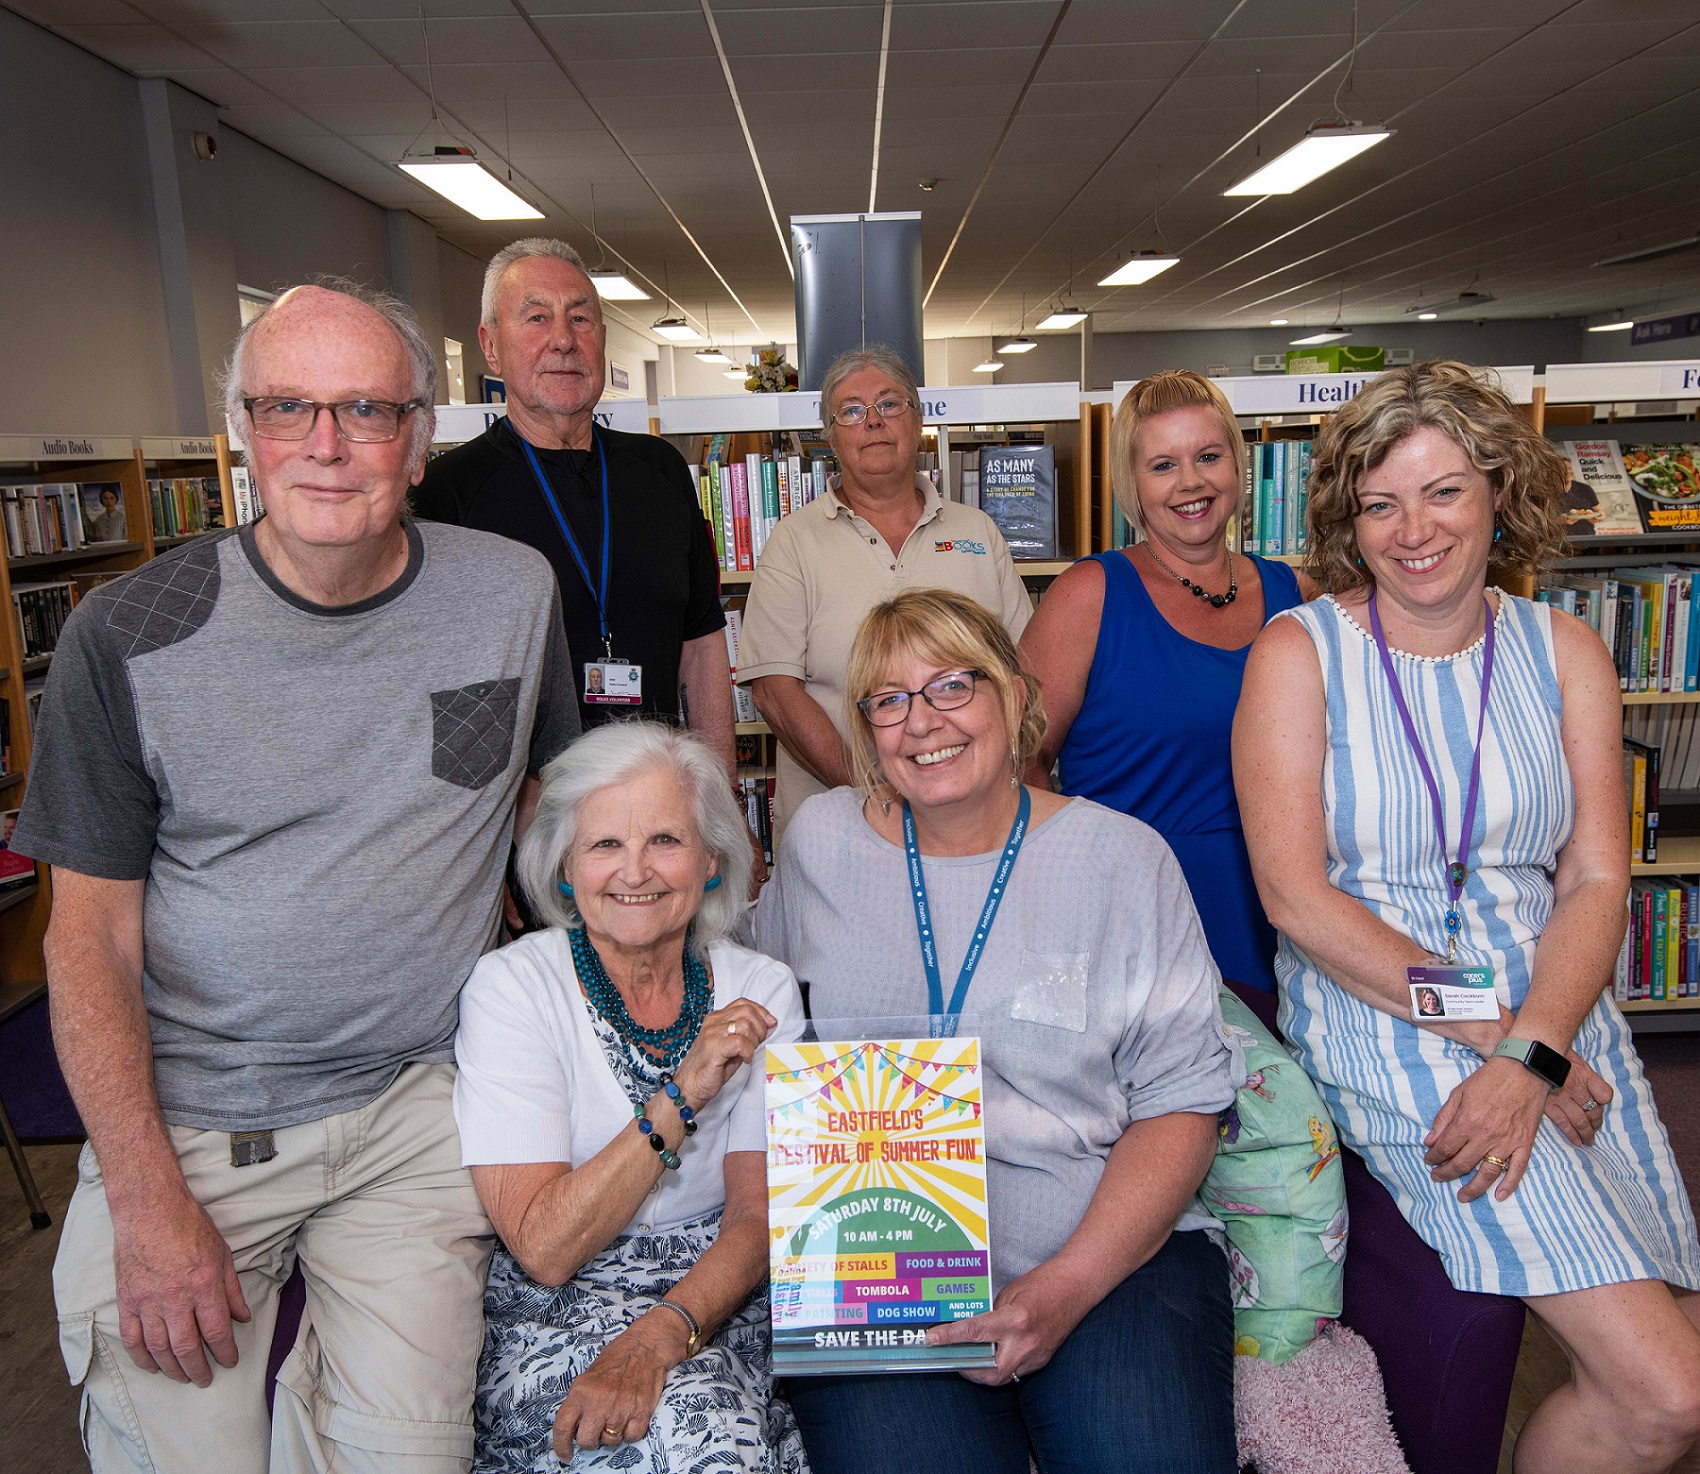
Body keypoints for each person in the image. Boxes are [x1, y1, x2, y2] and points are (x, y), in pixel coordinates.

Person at [15, 280, 579, 1473]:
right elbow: (88, 943)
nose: (327, 446)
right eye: (289, 408)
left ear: (420, 441)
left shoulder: (511, 593)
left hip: (418, 1109)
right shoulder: (125, 634)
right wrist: (146, 1198)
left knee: (407, 1461)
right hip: (199, 1125)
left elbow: (553, 823)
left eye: (367, 410)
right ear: (243, 436)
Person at [1234, 360, 1700, 1474]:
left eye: (1442, 491)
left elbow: (1592, 879)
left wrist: (1537, 1038)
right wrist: (1502, 1043)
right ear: (1348, 517)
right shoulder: (1299, 655)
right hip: (1386, 1016)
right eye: (1379, 501)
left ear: (1498, 488)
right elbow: (1298, 897)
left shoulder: (1563, 649)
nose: (1411, 529)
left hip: (1558, 1004)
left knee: (1658, 1364)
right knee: (1670, 1396)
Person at [751, 587, 1242, 1474]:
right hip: (879, 1258)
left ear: (1017, 696)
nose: (921, 721)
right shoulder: (819, 842)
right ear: (866, 731)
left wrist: (1065, 1288)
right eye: (888, 700)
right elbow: (756, 1002)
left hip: (1104, 1248)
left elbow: (1182, 1105)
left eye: (951, 685)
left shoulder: (1124, 857)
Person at [453, 721, 806, 1473]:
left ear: (712, 860)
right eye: (605, 844)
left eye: (665, 841)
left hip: (716, 1298)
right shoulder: (514, 988)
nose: (635, 871)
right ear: (563, 869)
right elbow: (546, 1247)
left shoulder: (760, 988)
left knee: (713, 1442)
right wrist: (683, 1092)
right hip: (558, 1308)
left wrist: (664, 1331)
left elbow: (759, 1216)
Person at [1021, 369, 1314, 993]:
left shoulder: (1299, 595)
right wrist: (1068, 892)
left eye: (1208, 456)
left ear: (1238, 465)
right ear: (1131, 484)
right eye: (1162, 465)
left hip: (1290, 912)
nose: (1191, 482)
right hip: (1133, 914)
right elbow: (1020, 756)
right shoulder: (1090, 595)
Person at [413, 238, 738, 772]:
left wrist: (722, 803)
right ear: (490, 345)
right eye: (536, 318)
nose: (563, 339)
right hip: (527, 821)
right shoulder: (445, 495)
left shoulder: (660, 470)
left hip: (657, 798)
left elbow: (701, 647)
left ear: (602, 340)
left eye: (581, 318)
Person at [737, 346, 1032, 842]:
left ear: (918, 422)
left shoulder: (977, 531)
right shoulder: (793, 542)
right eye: (852, 411)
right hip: (838, 823)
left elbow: (1024, 669)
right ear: (830, 437)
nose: (873, 422)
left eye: (889, 404)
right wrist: (874, 795)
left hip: (975, 820)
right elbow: (775, 693)